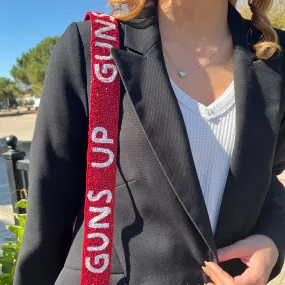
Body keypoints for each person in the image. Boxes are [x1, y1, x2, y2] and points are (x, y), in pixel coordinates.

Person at [14, 0, 285, 284]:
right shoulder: (91, 47)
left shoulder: (274, 55)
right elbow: (47, 220)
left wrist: (271, 241)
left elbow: (268, 181)